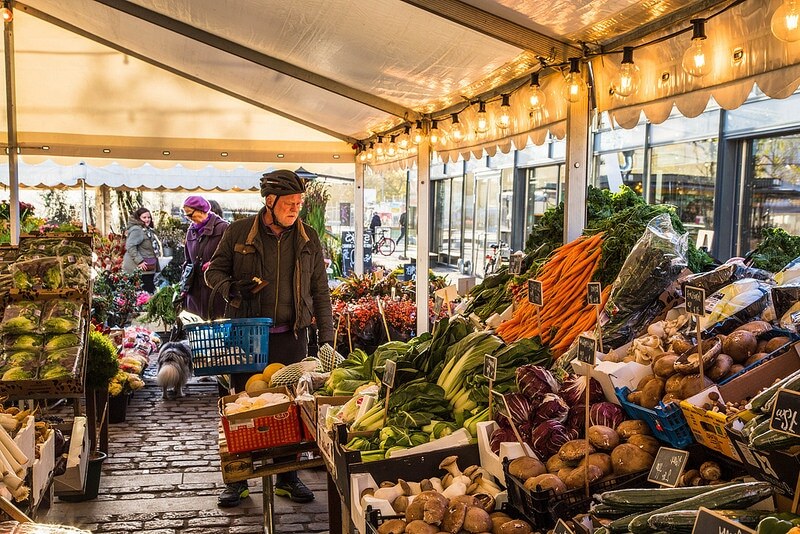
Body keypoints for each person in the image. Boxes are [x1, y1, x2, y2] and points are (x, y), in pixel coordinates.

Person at [205, 169, 334, 507]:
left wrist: (327, 338)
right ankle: (239, 480)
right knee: (243, 406)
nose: (295, 209)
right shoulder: (237, 233)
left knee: (289, 409)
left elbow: (320, 290)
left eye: (298, 203)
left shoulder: (308, 238)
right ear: (270, 201)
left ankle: (287, 478)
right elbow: (213, 272)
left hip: (291, 337)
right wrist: (231, 288)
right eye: (289, 203)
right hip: (246, 334)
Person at [180, 195, 229, 319]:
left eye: (190, 215)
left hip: (215, 290)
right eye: (186, 216)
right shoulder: (191, 230)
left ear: (202, 210)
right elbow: (188, 261)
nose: (189, 219)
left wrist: (214, 264)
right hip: (195, 291)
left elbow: (231, 258)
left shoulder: (223, 228)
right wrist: (184, 286)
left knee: (217, 330)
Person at [122, 207, 160, 293]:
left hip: (147, 266)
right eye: (144, 217)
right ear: (138, 218)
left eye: (149, 217)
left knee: (146, 293)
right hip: (140, 268)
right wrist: (139, 261)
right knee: (146, 294)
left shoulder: (147, 230)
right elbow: (130, 246)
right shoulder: (138, 230)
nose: (147, 219)